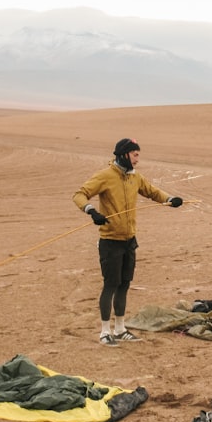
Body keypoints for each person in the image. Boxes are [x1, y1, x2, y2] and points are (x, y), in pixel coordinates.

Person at [73, 138, 184, 346]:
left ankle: (121, 328)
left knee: (124, 284)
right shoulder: (105, 176)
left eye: (138, 155)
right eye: (135, 155)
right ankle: (105, 332)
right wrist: (91, 211)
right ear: (124, 155)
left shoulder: (135, 177)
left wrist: (170, 199)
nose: (137, 160)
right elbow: (79, 194)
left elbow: (152, 191)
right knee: (110, 285)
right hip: (110, 241)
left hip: (129, 241)